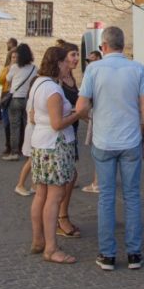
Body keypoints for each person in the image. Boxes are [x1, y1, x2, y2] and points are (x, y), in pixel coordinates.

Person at [73, 26, 144, 272]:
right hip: (130, 140)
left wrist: (93, 118)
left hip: (104, 140)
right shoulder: (137, 68)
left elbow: (81, 106)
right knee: (132, 196)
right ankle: (134, 253)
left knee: (106, 198)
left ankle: (107, 255)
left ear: (103, 46)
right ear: (123, 45)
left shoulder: (94, 69)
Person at [28, 46, 87, 265]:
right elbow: (57, 124)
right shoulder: (53, 89)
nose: (69, 66)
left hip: (41, 143)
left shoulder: (38, 83)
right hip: (55, 146)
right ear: (59, 63)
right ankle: (51, 248)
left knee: (41, 194)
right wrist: (77, 114)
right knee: (54, 196)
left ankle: (38, 240)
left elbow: (34, 115)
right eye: (66, 62)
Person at [54, 39, 83, 239]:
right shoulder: (56, 82)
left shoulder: (72, 78)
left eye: (77, 54)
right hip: (59, 136)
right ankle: (60, 217)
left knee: (70, 176)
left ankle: (60, 215)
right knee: (65, 178)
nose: (76, 59)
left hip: (71, 133)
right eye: (73, 55)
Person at [5, 45, 36, 163]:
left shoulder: (14, 67)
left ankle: (14, 152)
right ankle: (29, 150)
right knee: (28, 125)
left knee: (14, 126)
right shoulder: (34, 68)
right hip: (28, 99)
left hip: (16, 98)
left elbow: (8, 79)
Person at [81, 50, 102, 194]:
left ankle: (97, 182)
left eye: (93, 60)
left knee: (98, 151)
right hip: (98, 115)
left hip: (98, 116)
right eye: (88, 61)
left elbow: (83, 102)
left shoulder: (94, 74)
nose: (90, 63)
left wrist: (83, 115)